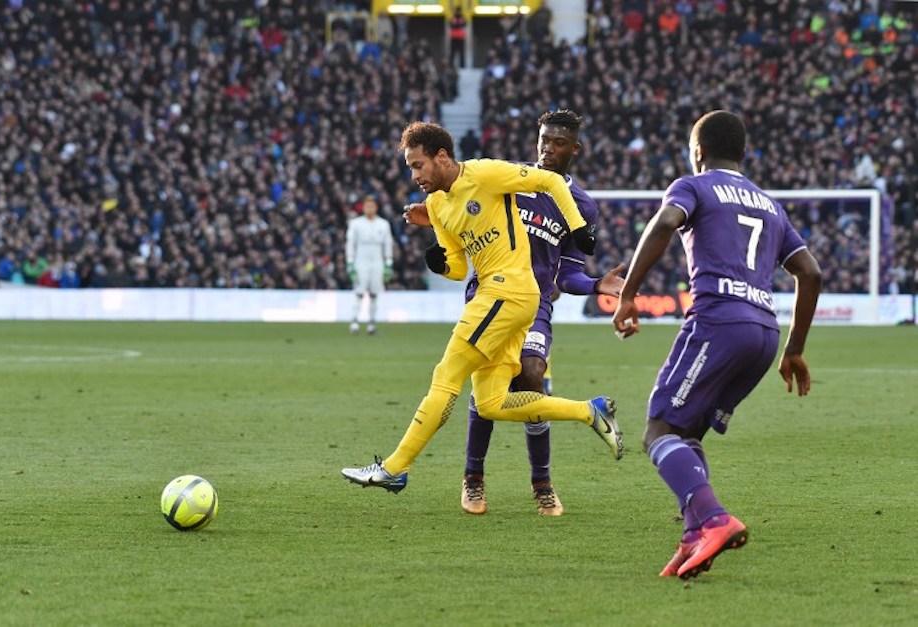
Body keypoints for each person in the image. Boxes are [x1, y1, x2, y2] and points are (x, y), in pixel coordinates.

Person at [341, 122, 623, 493]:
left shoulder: (485, 173)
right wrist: (438, 261)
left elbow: (551, 182)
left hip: (509, 292)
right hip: (498, 296)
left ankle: (394, 468)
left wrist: (579, 229)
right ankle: (589, 410)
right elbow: (458, 268)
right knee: (490, 403)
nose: (414, 176)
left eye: (418, 165)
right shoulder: (438, 205)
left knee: (446, 376)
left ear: (442, 157)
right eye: (410, 168)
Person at [612, 110, 822, 580]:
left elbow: (665, 223)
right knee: (687, 435)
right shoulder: (770, 205)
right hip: (765, 334)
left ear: (698, 151)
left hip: (718, 322)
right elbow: (810, 272)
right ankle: (694, 537)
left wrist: (628, 293)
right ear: (743, 153)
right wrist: (794, 349)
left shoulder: (694, 186)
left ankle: (714, 519)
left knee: (659, 429)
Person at [345, 196, 394, 335]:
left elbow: (388, 243)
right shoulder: (355, 224)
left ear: (376, 208)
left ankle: (371, 323)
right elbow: (350, 243)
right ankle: (354, 322)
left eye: (372, 206)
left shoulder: (383, 224)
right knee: (359, 292)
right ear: (363, 208)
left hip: (377, 259)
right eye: (367, 206)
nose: (369, 209)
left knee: (374, 293)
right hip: (361, 259)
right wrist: (350, 262)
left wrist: (388, 263)